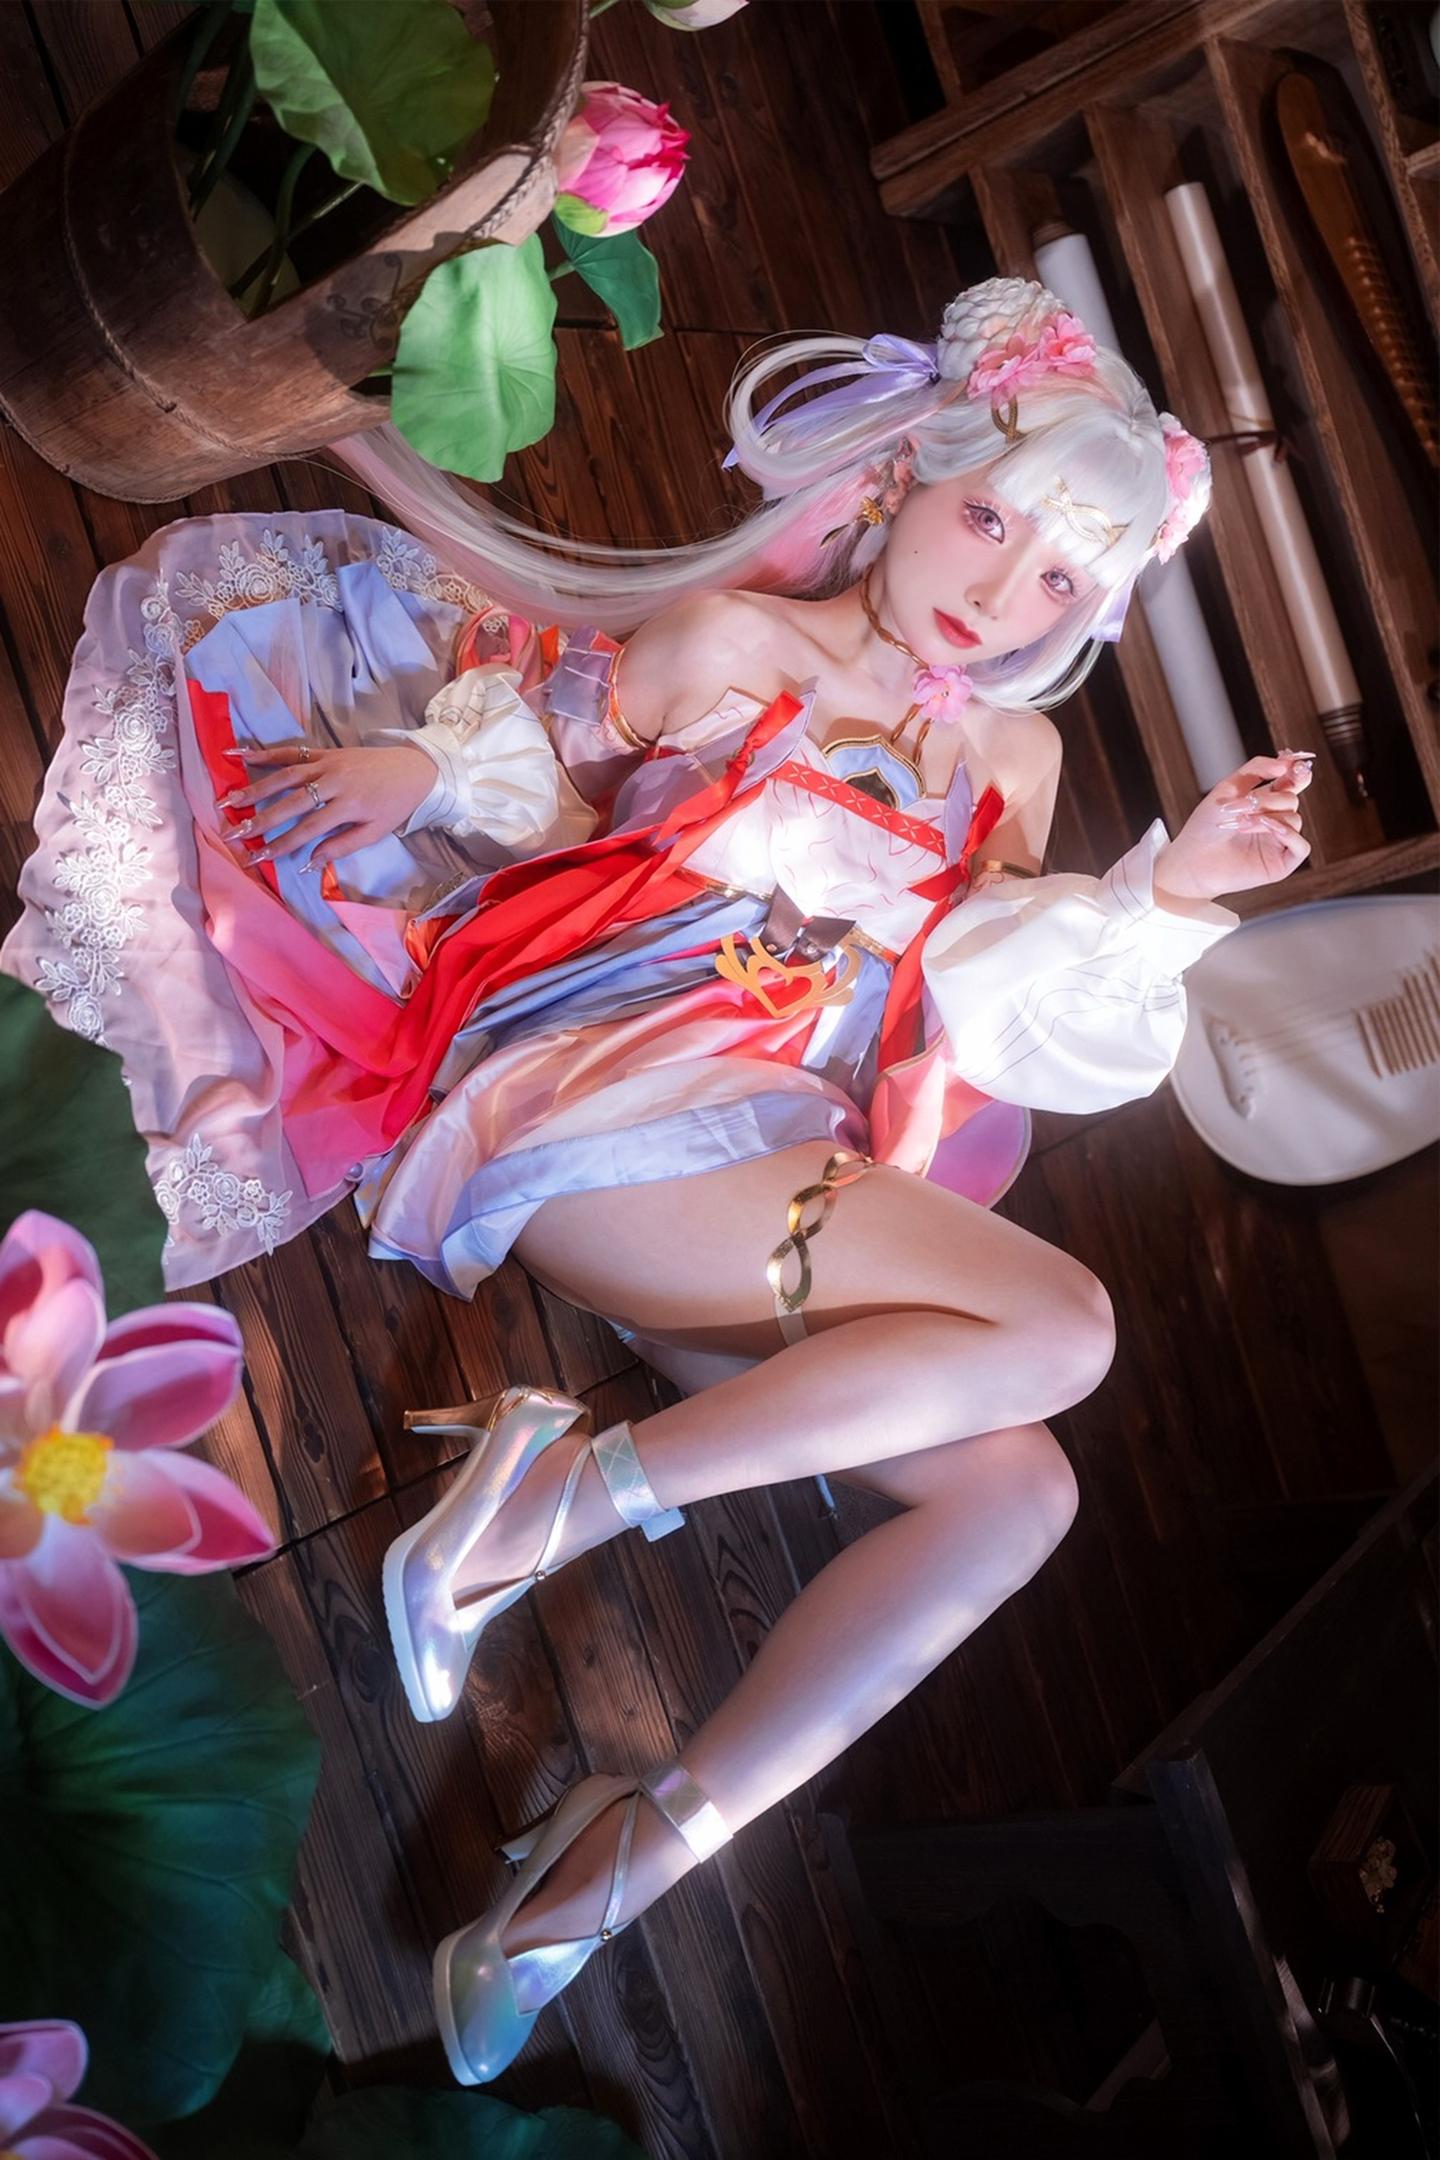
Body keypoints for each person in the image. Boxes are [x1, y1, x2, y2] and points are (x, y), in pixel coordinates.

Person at [2, 277, 1313, 2085]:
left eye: (1062, 582)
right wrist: (412, 764)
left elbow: (1002, 1005)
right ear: (906, 475)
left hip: (767, 1169)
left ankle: (618, 1870)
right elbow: (549, 767)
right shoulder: (732, 642)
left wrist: (1164, 900)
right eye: (991, 520)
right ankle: (556, 1499)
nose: (1003, 589)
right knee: (1069, 1328)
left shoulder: (1014, 762)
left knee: (1024, 1495)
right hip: (594, 1092)